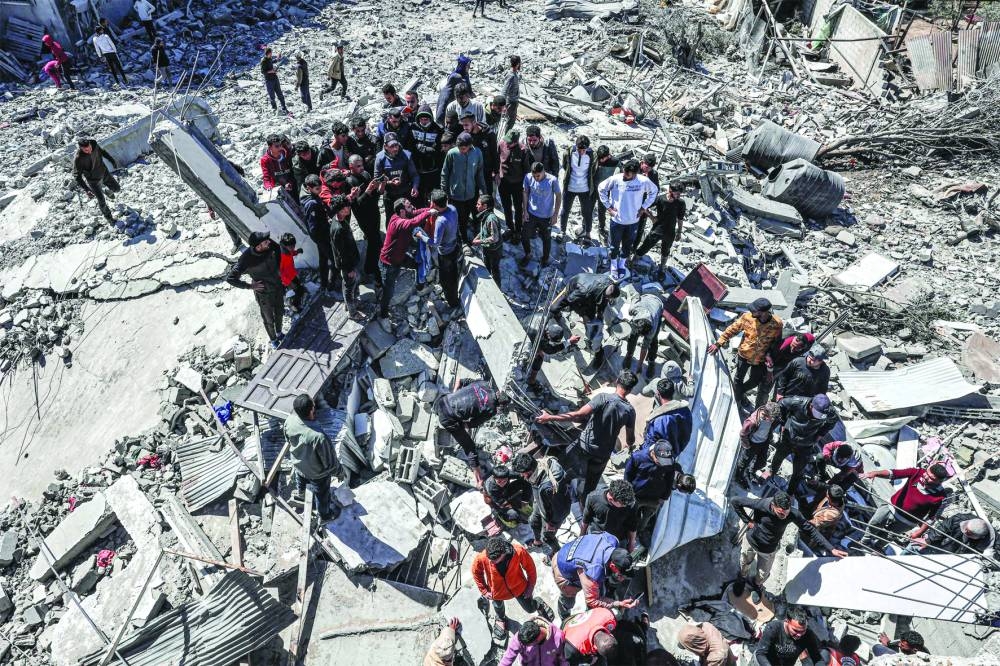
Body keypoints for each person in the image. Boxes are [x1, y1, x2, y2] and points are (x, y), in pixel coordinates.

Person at [537, 371, 637, 503]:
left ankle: (550, 496)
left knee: (559, 467)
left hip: (584, 446)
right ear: (630, 389)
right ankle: (585, 513)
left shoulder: (603, 398)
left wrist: (549, 417)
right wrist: (629, 446)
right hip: (602, 454)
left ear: (617, 381)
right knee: (590, 486)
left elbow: (578, 415)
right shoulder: (630, 411)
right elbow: (630, 439)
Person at [731, 491, 847, 596]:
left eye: (786, 513)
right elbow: (735, 501)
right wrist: (748, 521)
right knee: (745, 562)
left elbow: (810, 530)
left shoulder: (793, 514)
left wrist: (831, 549)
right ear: (773, 505)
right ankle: (742, 578)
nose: (784, 517)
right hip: (751, 541)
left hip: (769, 549)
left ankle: (756, 585)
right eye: (781, 514)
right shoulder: (762, 504)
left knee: (763, 574)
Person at [707, 298, 783, 407]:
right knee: (738, 378)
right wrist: (718, 343)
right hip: (744, 355)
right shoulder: (747, 317)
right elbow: (732, 330)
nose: (752, 312)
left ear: (763, 312)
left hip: (760, 359)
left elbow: (777, 342)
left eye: (754, 310)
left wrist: (770, 355)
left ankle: (738, 393)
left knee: (754, 381)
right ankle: (737, 400)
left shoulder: (777, 324)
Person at [859, 463, 952, 549]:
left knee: (888, 536)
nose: (926, 477)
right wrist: (875, 473)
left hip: (906, 522)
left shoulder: (941, 497)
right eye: (927, 473)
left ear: (939, 481)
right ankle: (863, 542)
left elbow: (932, 518)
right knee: (874, 523)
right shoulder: (917, 472)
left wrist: (919, 532)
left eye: (931, 478)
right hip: (891, 507)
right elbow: (894, 473)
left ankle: (875, 548)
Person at [626, 439, 697, 548]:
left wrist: (664, 497)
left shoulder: (668, 462)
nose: (663, 465)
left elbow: (669, 480)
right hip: (637, 494)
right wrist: (629, 492)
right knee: (631, 515)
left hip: (655, 497)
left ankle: (639, 532)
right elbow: (628, 476)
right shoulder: (637, 458)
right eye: (660, 462)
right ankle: (629, 533)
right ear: (653, 454)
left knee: (646, 517)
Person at [552, 532, 637, 620]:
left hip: (571, 550)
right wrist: (617, 603)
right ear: (612, 566)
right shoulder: (593, 572)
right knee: (568, 600)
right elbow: (592, 601)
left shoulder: (612, 539)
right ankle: (565, 617)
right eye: (621, 575)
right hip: (562, 568)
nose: (622, 579)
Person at [284, 394, 343, 521]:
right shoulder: (318, 436)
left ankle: (301, 493)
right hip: (317, 475)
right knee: (322, 495)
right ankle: (325, 515)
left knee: (301, 480)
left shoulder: (289, 421)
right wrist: (340, 472)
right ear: (311, 410)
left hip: (298, 465)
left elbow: (287, 439)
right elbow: (330, 463)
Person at [597, 159, 658, 280]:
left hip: (633, 222)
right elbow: (601, 188)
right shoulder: (616, 178)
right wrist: (609, 207)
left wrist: (644, 207)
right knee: (614, 245)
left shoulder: (642, 181)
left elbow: (654, 191)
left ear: (635, 174)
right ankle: (613, 265)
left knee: (627, 245)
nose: (624, 175)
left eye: (628, 174)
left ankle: (621, 264)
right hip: (617, 221)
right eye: (624, 172)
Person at [767, 394, 838, 494]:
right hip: (790, 438)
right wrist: (783, 422)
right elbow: (782, 404)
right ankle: (772, 472)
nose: (818, 417)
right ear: (811, 406)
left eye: (821, 415)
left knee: (798, 471)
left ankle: (790, 493)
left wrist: (820, 434)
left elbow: (833, 420)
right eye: (817, 413)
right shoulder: (797, 402)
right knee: (778, 456)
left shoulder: (829, 412)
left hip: (807, 444)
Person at [434, 379, 505, 480]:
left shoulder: (483, 383)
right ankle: (479, 479)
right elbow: (471, 424)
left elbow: (459, 381)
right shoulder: (492, 408)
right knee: (470, 447)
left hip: (443, 400)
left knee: (459, 426)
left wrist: (455, 395)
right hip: (447, 419)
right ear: (500, 405)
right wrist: (460, 428)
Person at [472, 536, 540, 638]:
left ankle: (537, 603)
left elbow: (530, 568)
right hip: (496, 592)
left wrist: (530, 586)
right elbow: (476, 572)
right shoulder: (483, 557)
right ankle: (501, 618)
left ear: (504, 553)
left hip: (519, 588)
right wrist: (484, 590)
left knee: (531, 609)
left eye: (495, 560)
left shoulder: (518, 551)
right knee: (498, 606)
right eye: (490, 559)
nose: (491, 562)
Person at [379, 199, 437, 318]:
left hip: (400, 257)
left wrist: (430, 209)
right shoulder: (397, 222)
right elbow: (413, 222)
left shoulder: (404, 215)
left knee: (417, 264)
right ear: (402, 211)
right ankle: (383, 313)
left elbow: (416, 213)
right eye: (409, 206)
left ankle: (419, 285)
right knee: (388, 291)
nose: (412, 207)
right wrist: (429, 213)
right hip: (389, 263)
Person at [226, 231, 285, 347]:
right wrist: (250, 286)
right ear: (258, 247)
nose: (269, 242)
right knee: (269, 319)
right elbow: (230, 278)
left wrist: (279, 268)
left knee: (280, 312)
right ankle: (273, 340)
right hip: (264, 294)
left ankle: (279, 332)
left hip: (278, 286)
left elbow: (278, 249)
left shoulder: (269, 245)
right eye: (265, 242)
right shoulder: (246, 259)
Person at [548, 272, 618, 367]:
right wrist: (583, 314)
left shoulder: (609, 283)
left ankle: (598, 352)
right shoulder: (585, 292)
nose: (610, 301)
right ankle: (557, 315)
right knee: (553, 309)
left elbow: (603, 301)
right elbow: (571, 300)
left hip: (588, 297)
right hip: (574, 290)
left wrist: (600, 314)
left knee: (593, 330)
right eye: (610, 299)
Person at [514, 453, 571, 556]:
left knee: (548, 537)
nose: (522, 476)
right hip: (542, 502)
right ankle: (537, 541)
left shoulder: (548, 487)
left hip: (554, 514)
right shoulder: (541, 464)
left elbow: (559, 509)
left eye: (522, 474)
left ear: (529, 471)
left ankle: (557, 554)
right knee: (533, 520)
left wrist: (552, 523)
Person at [440, 132, 485, 244]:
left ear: (470, 145)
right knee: (460, 220)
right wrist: (444, 192)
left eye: (464, 148)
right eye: (459, 148)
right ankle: (463, 242)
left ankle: (477, 235)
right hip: (455, 195)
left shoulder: (477, 153)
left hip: (471, 193)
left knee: (474, 216)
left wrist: (484, 192)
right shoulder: (452, 153)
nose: (461, 150)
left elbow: (480, 173)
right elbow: (444, 174)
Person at [345, 155, 383, 285]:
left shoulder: (366, 174)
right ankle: (371, 269)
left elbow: (376, 195)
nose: (362, 168)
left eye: (362, 165)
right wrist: (367, 191)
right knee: (374, 242)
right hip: (364, 217)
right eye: (358, 166)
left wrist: (380, 186)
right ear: (351, 167)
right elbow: (357, 205)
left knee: (375, 237)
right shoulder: (349, 182)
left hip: (374, 212)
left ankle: (373, 266)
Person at [634, 184, 686, 270]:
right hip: (657, 229)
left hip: (670, 232)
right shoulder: (660, 199)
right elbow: (644, 207)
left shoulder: (681, 203)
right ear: (670, 190)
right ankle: (634, 260)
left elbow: (680, 219)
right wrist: (652, 217)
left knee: (666, 251)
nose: (679, 196)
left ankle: (662, 267)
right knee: (645, 246)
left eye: (680, 194)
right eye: (677, 193)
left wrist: (679, 232)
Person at [521, 162, 561, 267]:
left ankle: (545, 258)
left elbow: (558, 196)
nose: (536, 178)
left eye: (538, 176)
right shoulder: (528, 177)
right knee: (524, 235)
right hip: (531, 213)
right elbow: (525, 192)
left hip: (546, 216)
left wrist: (555, 214)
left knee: (546, 238)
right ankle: (528, 254)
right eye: (534, 176)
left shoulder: (552, 180)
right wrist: (524, 211)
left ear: (543, 171)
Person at [581, 479, 639, 551]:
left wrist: (631, 543)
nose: (626, 505)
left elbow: (632, 525)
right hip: (596, 535)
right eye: (623, 505)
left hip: (619, 538)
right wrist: (581, 536)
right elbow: (586, 519)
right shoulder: (593, 497)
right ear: (611, 499)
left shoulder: (631, 504)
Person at [374, 132, 419, 223]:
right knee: (391, 221)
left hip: (405, 193)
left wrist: (415, 187)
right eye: (391, 146)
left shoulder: (407, 155)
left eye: (396, 145)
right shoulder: (380, 158)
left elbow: (414, 175)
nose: (395, 148)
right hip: (390, 195)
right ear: (385, 146)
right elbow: (377, 179)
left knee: (409, 219)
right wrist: (389, 182)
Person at [753, 607, 824, 666]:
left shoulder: (808, 635)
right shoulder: (773, 628)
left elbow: (817, 659)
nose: (799, 634)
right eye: (795, 630)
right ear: (787, 621)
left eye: (803, 631)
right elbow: (760, 653)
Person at [73, 136, 120, 223]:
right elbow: (77, 176)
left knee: (117, 189)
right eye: (86, 150)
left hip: (104, 173)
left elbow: (103, 152)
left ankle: (107, 191)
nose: (89, 151)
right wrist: (87, 189)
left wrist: (112, 161)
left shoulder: (94, 144)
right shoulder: (78, 159)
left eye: (90, 148)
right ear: (81, 148)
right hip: (93, 181)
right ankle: (109, 218)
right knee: (101, 201)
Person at [641, 379, 693, 455]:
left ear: (658, 393)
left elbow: (648, 448)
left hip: (660, 457)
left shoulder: (656, 420)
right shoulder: (685, 410)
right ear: (673, 391)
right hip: (677, 451)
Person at [560, 135, 597, 239]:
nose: (581, 152)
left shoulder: (592, 155)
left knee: (587, 212)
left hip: (585, 189)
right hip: (570, 187)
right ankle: (562, 231)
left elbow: (593, 170)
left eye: (584, 150)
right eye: (579, 150)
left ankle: (587, 232)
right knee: (565, 210)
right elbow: (564, 165)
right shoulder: (569, 152)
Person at [429, 190, 462, 308]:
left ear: (434, 204)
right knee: (453, 272)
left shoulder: (440, 221)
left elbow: (435, 243)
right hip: (454, 246)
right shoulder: (453, 208)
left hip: (445, 253)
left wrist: (421, 236)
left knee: (445, 279)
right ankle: (454, 294)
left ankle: (452, 301)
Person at [735, 402, 780, 488]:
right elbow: (743, 434)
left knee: (762, 462)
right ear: (766, 414)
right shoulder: (752, 422)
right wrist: (747, 446)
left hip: (764, 441)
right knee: (743, 463)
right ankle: (739, 477)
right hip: (753, 444)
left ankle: (750, 471)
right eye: (772, 418)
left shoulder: (770, 416)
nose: (773, 420)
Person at [329, 195, 361, 315]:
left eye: (347, 206)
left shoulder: (339, 219)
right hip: (346, 264)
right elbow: (341, 252)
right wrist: (349, 269)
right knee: (349, 286)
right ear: (338, 210)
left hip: (348, 261)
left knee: (348, 283)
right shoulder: (338, 229)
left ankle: (349, 305)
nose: (347, 210)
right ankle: (352, 312)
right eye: (344, 209)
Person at [525, 322, 580, 389]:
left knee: (541, 349)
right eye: (552, 340)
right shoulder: (541, 338)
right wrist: (569, 341)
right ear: (548, 334)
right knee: (540, 356)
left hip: (527, 323)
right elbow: (550, 350)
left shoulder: (544, 321)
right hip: (526, 337)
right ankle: (531, 380)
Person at [622, 292, 664, 377]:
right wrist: (637, 297)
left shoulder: (652, 327)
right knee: (632, 337)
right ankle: (629, 355)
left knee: (653, 342)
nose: (641, 337)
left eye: (642, 335)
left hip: (657, 304)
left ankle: (651, 361)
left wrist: (640, 365)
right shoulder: (634, 309)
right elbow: (635, 296)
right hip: (645, 299)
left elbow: (644, 347)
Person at [763, 332, 815, 401]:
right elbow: (770, 359)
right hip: (775, 364)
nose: (793, 349)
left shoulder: (806, 346)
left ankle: (775, 401)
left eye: (797, 348)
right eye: (793, 346)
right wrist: (770, 372)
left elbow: (811, 340)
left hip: (787, 367)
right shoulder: (781, 346)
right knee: (766, 387)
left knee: (781, 388)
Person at [910, 512, 992, 555]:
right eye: (965, 529)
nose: (965, 531)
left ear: (979, 537)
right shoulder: (960, 518)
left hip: (954, 554)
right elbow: (943, 527)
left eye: (968, 533)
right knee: (915, 546)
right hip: (942, 542)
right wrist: (929, 540)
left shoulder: (988, 541)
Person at [497, 129, 527, 243]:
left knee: (518, 208)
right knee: (506, 206)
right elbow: (497, 159)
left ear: (516, 142)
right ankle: (510, 227)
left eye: (510, 143)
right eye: (507, 142)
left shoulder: (523, 150)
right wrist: (496, 174)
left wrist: (525, 186)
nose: (507, 144)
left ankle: (518, 230)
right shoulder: (501, 144)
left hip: (517, 184)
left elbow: (526, 170)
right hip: (504, 182)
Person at [459, 111, 498, 197]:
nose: (464, 128)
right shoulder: (464, 136)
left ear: (474, 122)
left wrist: (496, 172)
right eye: (463, 125)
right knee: (473, 197)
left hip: (486, 172)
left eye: (466, 125)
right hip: (472, 172)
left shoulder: (489, 134)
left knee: (487, 196)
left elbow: (495, 153)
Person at [499, 617, 567, 666]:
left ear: (537, 640)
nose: (522, 646)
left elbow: (563, 659)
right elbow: (507, 658)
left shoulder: (558, 637)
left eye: (528, 645)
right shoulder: (521, 636)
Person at [411, 105, 445, 203]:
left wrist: (426, 149)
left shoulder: (438, 129)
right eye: (421, 119)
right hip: (418, 170)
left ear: (430, 118)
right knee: (419, 197)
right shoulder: (413, 127)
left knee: (434, 196)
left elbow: (440, 148)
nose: (424, 121)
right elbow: (410, 144)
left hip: (433, 170)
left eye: (426, 119)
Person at [473, 194, 503, 286]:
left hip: (493, 250)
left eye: (478, 204)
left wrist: (479, 241)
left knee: (494, 269)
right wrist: (478, 237)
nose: (476, 206)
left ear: (485, 206)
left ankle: (497, 287)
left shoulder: (491, 219)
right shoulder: (485, 215)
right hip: (488, 248)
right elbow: (485, 230)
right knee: (487, 266)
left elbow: (494, 238)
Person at [435, 55, 474, 125]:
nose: (469, 68)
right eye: (467, 66)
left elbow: (468, 85)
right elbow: (440, 114)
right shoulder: (447, 94)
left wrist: (470, 93)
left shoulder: (464, 74)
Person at [593, 146, 619, 245]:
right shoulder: (596, 159)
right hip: (593, 188)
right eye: (600, 158)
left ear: (608, 156)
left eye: (603, 158)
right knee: (589, 208)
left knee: (602, 210)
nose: (601, 160)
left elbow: (621, 173)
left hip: (605, 191)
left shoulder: (615, 162)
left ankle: (601, 227)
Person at [277, 232, 306, 312]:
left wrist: (296, 252)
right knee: (299, 290)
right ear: (285, 246)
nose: (293, 248)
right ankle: (294, 306)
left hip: (292, 273)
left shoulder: (287, 250)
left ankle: (297, 295)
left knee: (299, 287)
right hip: (288, 278)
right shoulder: (281, 256)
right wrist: (289, 283)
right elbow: (280, 273)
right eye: (291, 246)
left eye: (294, 245)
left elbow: (291, 253)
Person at [260, 47, 288, 115]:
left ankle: (284, 107)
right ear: (268, 53)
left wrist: (277, 58)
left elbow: (272, 61)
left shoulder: (269, 59)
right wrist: (271, 71)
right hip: (269, 80)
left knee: (280, 94)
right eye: (271, 53)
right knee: (272, 96)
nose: (271, 54)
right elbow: (263, 72)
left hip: (275, 78)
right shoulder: (263, 61)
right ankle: (274, 109)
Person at [502, 55, 522, 123]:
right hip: (511, 102)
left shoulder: (514, 74)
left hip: (513, 101)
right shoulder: (511, 76)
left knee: (510, 121)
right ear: (518, 64)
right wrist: (503, 105)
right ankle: (506, 133)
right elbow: (504, 90)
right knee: (510, 122)